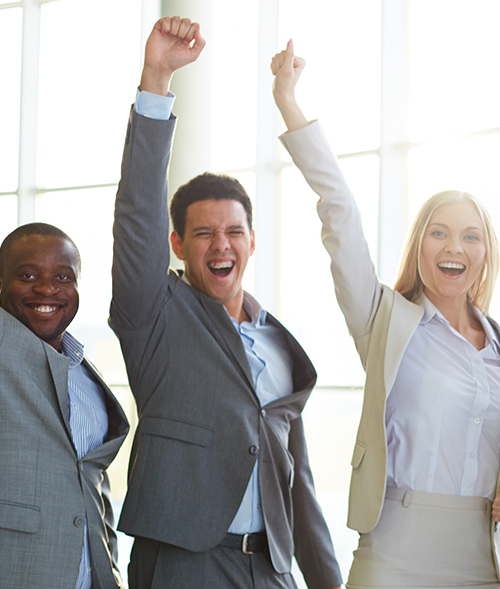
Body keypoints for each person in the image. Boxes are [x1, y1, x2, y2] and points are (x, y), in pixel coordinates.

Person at [270, 40, 500, 589]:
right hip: (394, 551)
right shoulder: (384, 320)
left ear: (486, 254)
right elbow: (339, 212)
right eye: (438, 232)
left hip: (483, 559)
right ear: (419, 246)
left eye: (469, 235)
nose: (452, 247)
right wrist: (289, 102)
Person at [110, 17, 341, 589]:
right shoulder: (154, 316)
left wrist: (326, 579)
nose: (221, 245)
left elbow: (297, 480)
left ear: (252, 242)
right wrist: (157, 78)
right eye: (204, 233)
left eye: (234, 232)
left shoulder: (279, 342)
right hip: (186, 565)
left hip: (272, 567)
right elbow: (137, 211)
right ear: (177, 245)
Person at [0, 223, 129, 589]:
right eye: (28, 275)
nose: (47, 288)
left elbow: (92, 485)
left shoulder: (85, 376)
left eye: (63, 277)